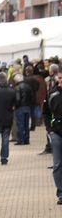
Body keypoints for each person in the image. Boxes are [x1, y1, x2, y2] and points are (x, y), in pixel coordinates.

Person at [43, 70, 62, 204]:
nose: (61, 80)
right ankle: (61, 193)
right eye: (60, 78)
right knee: (58, 164)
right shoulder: (52, 94)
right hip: (56, 133)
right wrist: (49, 130)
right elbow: (46, 113)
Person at [13, 73, 34, 145]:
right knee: (26, 124)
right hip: (27, 107)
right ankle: (26, 139)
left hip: (20, 107)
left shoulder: (17, 88)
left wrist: (15, 105)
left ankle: (21, 139)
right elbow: (32, 97)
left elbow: (18, 99)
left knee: (20, 124)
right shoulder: (28, 87)